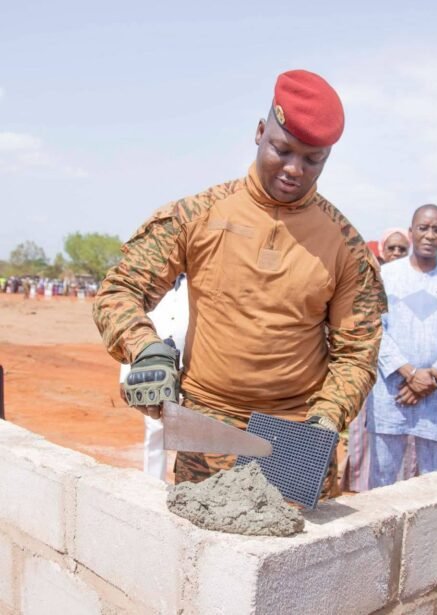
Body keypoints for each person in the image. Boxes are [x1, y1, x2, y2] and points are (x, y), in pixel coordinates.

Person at [93, 70, 386, 490]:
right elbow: (119, 291)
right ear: (260, 132)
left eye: (312, 160)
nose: (293, 170)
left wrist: (326, 418)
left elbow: (356, 354)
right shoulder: (198, 215)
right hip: (205, 427)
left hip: (298, 430)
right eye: (282, 150)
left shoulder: (345, 246)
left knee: (299, 553)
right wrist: (146, 349)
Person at [365, 205, 437, 488]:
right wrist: (410, 374)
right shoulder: (386, 276)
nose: (429, 235)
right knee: (383, 481)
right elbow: (375, 329)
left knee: (436, 484)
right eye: (423, 228)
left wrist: (432, 375)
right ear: (411, 233)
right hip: (392, 392)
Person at [343, 226, 412, 492]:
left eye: (402, 249)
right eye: (391, 248)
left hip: (409, 382)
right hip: (370, 374)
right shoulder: (370, 282)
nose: (396, 253)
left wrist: (413, 374)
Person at [118, 274, 188, 481]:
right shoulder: (148, 287)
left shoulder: (199, 283)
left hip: (190, 370)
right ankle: (152, 484)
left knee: (192, 433)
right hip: (153, 372)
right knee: (155, 429)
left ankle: (189, 490)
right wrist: (125, 375)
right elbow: (131, 333)